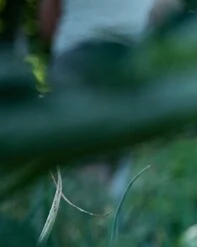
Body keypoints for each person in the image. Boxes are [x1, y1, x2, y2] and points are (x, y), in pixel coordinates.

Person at [37, 0, 181, 200]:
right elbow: (166, 12)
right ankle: (105, 220)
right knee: (115, 158)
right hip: (128, 56)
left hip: (73, 58)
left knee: (80, 157)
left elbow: (47, 23)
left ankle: (84, 219)